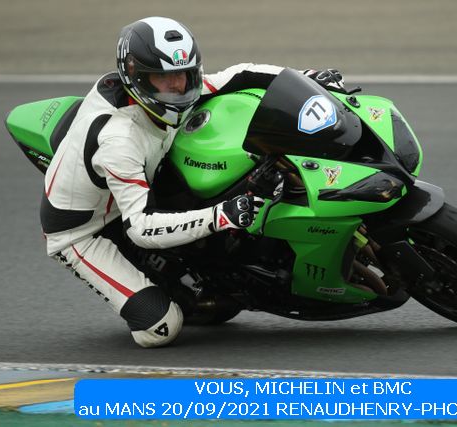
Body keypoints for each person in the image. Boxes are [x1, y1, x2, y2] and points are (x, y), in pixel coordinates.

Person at [41, 16, 346, 348]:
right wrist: (223, 215)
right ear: (136, 78)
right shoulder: (119, 141)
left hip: (140, 178)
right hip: (87, 230)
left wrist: (307, 78)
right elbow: (140, 228)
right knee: (160, 328)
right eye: (163, 78)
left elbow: (239, 75)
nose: (177, 87)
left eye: (184, 75)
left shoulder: (173, 91)